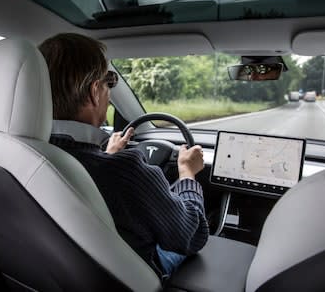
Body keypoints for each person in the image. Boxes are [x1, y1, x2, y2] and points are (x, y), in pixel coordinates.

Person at [39, 33, 209, 279]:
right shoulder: (125, 171)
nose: (109, 97)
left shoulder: (20, 154)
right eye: (109, 82)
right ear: (94, 92)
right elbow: (191, 235)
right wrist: (187, 174)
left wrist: (107, 156)